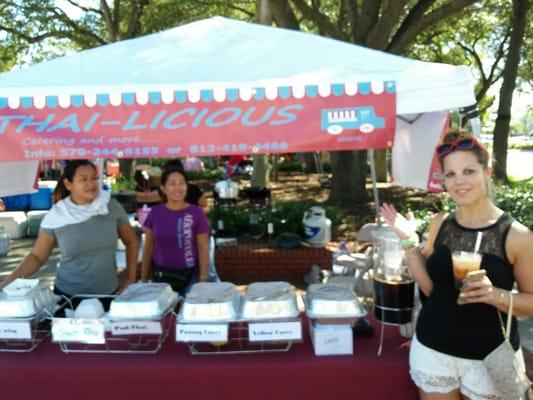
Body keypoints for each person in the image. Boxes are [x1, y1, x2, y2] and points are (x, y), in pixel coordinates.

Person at [380, 129, 533, 400]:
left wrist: (495, 295)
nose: (459, 181)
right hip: (433, 351)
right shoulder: (441, 223)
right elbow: (430, 288)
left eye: (469, 171)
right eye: (451, 174)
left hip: (489, 358)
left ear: (487, 171)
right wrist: (408, 243)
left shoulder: (517, 236)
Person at [0, 160, 138, 304]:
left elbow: (131, 241)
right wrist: (7, 283)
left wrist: (130, 278)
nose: (90, 184)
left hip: (110, 294)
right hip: (68, 297)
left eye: (94, 178)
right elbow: (37, 256)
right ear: (68, 184)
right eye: (83, 179)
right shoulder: (57, 215)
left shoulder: (110, 207)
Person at [141, 167, 209, 294]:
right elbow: (148, 247)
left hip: (190, 278)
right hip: (161, 278)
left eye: (182, 183)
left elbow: (203, 247)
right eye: (172, 184)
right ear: (163, 188)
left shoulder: (197, 213)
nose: (178, 188)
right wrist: (144, 280)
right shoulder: (155, 213)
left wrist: (203, 279)